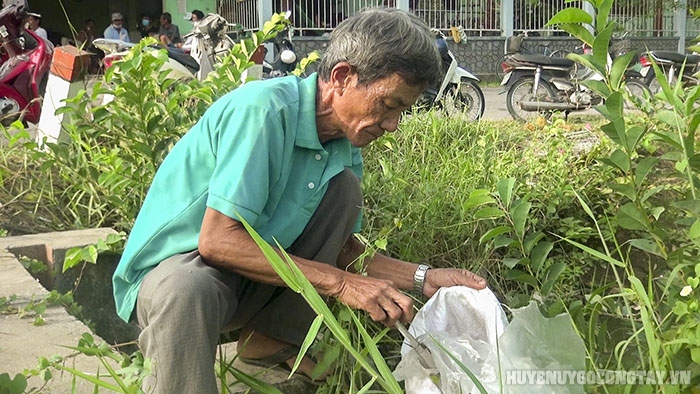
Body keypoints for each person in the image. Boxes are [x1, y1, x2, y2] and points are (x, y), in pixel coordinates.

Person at [112, 7, 487, 394]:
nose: (391, 125)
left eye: (402, 112)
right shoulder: (263, 111)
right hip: (175, 280)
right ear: (342, 77)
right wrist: (343, 285)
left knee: (343, 190)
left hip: (242, 281)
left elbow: (343, 251)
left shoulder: (343, 142)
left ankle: (269, 338)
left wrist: (424, 278)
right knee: (188, 288)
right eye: (388, 105)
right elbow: (217, 241)